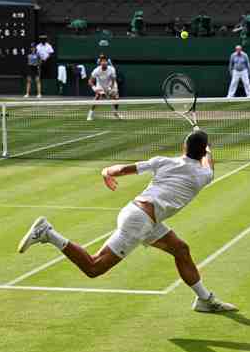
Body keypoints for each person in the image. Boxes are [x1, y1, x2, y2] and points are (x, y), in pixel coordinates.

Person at [17, 129, 238, 313]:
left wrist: (106, 172)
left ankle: (205, 300)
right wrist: (208, 149)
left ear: (183, 148)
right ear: (201, 153)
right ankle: (48, 233)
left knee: (180, 249)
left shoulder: (163, 161)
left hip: (139, 214)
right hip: (139, 223)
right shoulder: (203, 175)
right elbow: (209, 163)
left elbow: (121, 170)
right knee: (94, 268)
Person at [87, 56, 120, 121]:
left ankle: (115, 113)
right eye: (102, 61)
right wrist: (94, 88)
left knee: (116, 98)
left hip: (110, 84)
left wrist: (111, 88)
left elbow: (113, 79)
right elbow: (90, 81)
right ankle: (90, 114)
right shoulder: (96, 70)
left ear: (107, 62)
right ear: (100, 63)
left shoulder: (112, 69)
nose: (104, 62)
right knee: (98, 96)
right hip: (100, 85)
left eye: (105, 61)